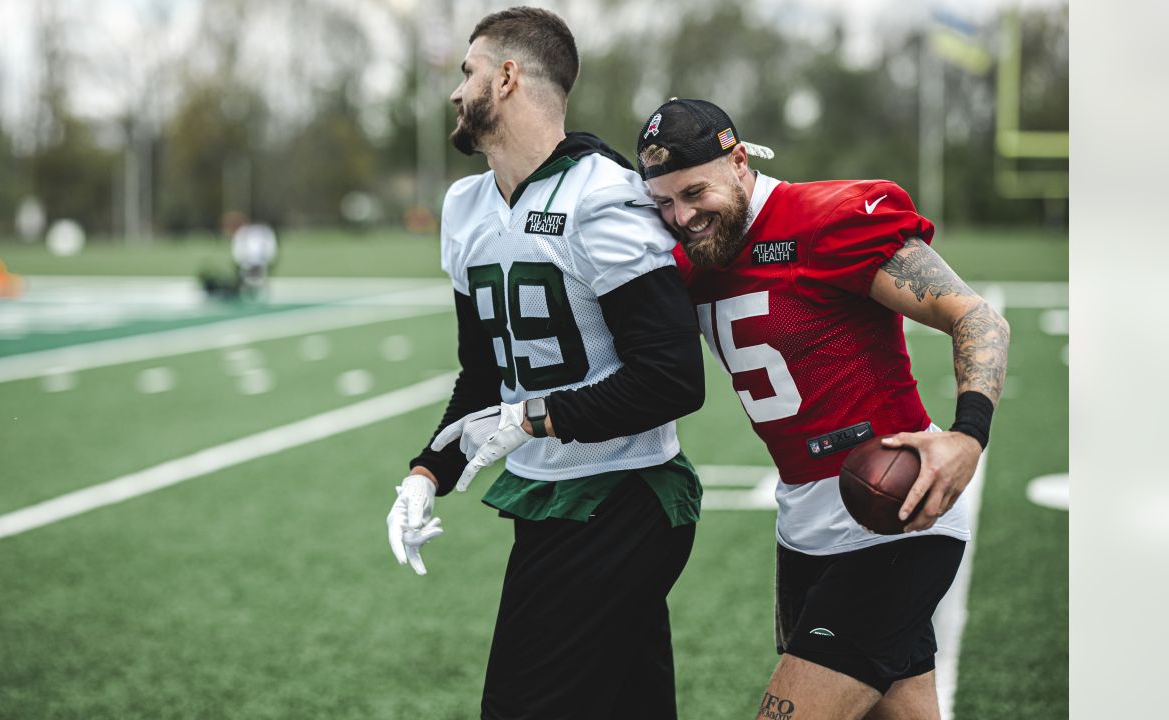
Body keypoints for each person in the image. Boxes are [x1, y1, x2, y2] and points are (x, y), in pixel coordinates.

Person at [633, 98, 1010, 720]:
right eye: (665, 203)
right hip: (803, 527)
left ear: (737, 161)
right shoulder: (689, 257)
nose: (682, 216)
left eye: (694, 192)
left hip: (895, 512)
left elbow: (975, 317)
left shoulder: (828, 219)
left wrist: (967, 436)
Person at [384, 9, 707, 720]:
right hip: (550, 503)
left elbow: (673, 378)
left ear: (506, 77)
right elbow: (483, 374)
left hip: (622, 498)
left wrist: (537, 417)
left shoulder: (602, 196)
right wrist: (427, 470)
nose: (455, 90)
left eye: (467, 72)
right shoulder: (466, 207)